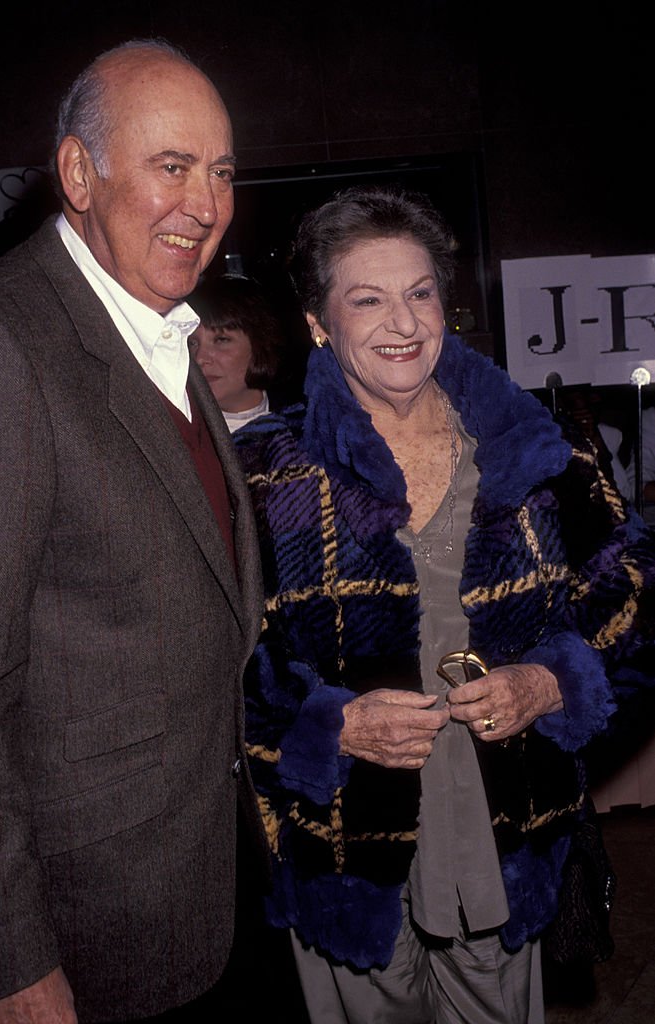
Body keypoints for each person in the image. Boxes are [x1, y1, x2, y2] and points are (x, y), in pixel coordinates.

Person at [233, 185, 655, 1024]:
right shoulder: (260, 473)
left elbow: (638, 605)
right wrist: (327, 726)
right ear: (318, 322)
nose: (402, 322)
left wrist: (552, 681)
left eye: (419, 293)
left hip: (505, 833)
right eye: (367, 299)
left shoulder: (542, 452)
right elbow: (206, 659)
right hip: (346, 842)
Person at [0, 39, 265, 1024]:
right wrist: (11, 961)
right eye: (171, 166)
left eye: (220, 172)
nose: (205, 203)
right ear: (78, 174)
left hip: (207, 885)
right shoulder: (1, 342)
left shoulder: (156, 325)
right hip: (87, 937)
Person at [190, 273, 292, 431]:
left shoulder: (305, 425)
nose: (199, 358)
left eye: (221, 340)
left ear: (260, 344)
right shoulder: (179, 433)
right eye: (193, 343)